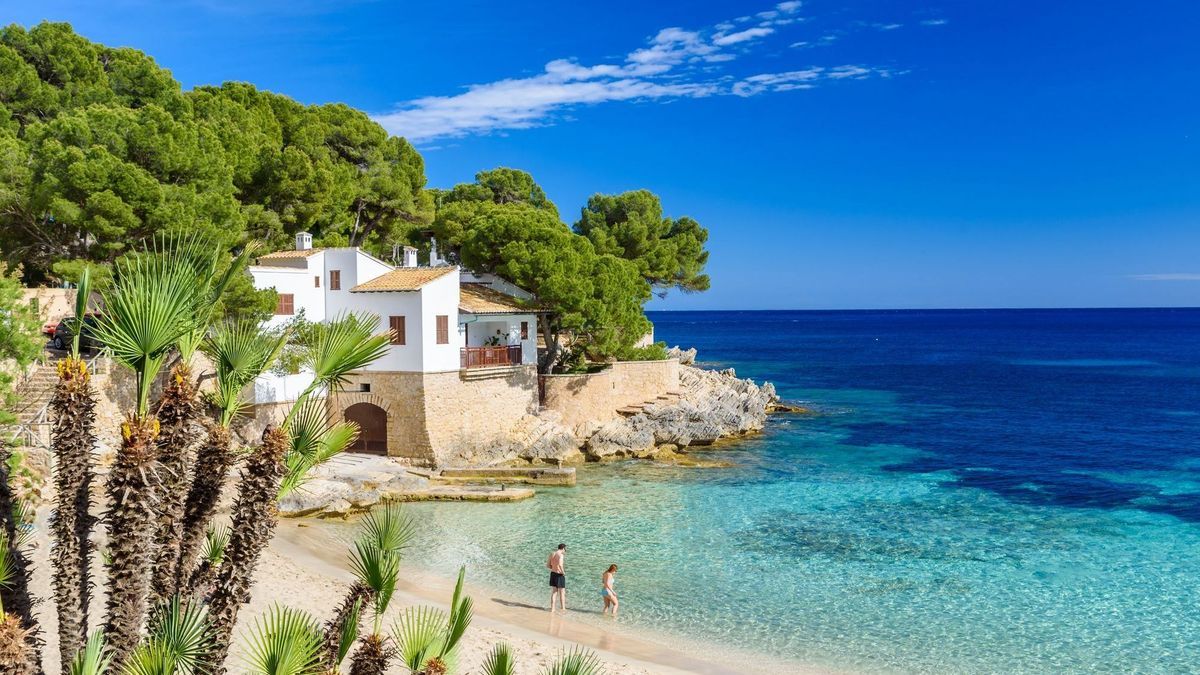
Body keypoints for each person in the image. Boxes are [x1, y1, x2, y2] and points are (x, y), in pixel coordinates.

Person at [547, 543, 567, 611]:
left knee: (554, 592)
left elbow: (548, 565)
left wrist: (554, 568)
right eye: (565, 549)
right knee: (562, 592)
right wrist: (563, 573)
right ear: (563, 548)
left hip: (553, 573)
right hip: (559, 575)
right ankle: (563, 608)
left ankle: (552, 609)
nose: (565, 551)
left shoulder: (552, 553)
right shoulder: (561, 555)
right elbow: (560, 565)